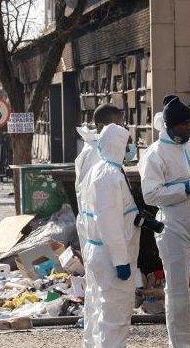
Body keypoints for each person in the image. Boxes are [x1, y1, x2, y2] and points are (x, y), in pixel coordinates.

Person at [138, 95, 190, 347]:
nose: (188, 129)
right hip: (173, 226)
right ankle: (181, 344)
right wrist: (185, 189)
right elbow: (151, 194)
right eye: (182, 125)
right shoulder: (154, 154)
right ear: (169, 126)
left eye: (189, 124)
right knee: (178, 290)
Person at [78, 123, 138, 348]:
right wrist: (121, 261)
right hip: (111, 257)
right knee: (116, 320)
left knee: (105, 315)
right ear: (118, 145)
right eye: (128, 143)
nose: (130, 148)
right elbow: (110, 224)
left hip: (102, 252)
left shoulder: (102, 169)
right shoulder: (110, 175)